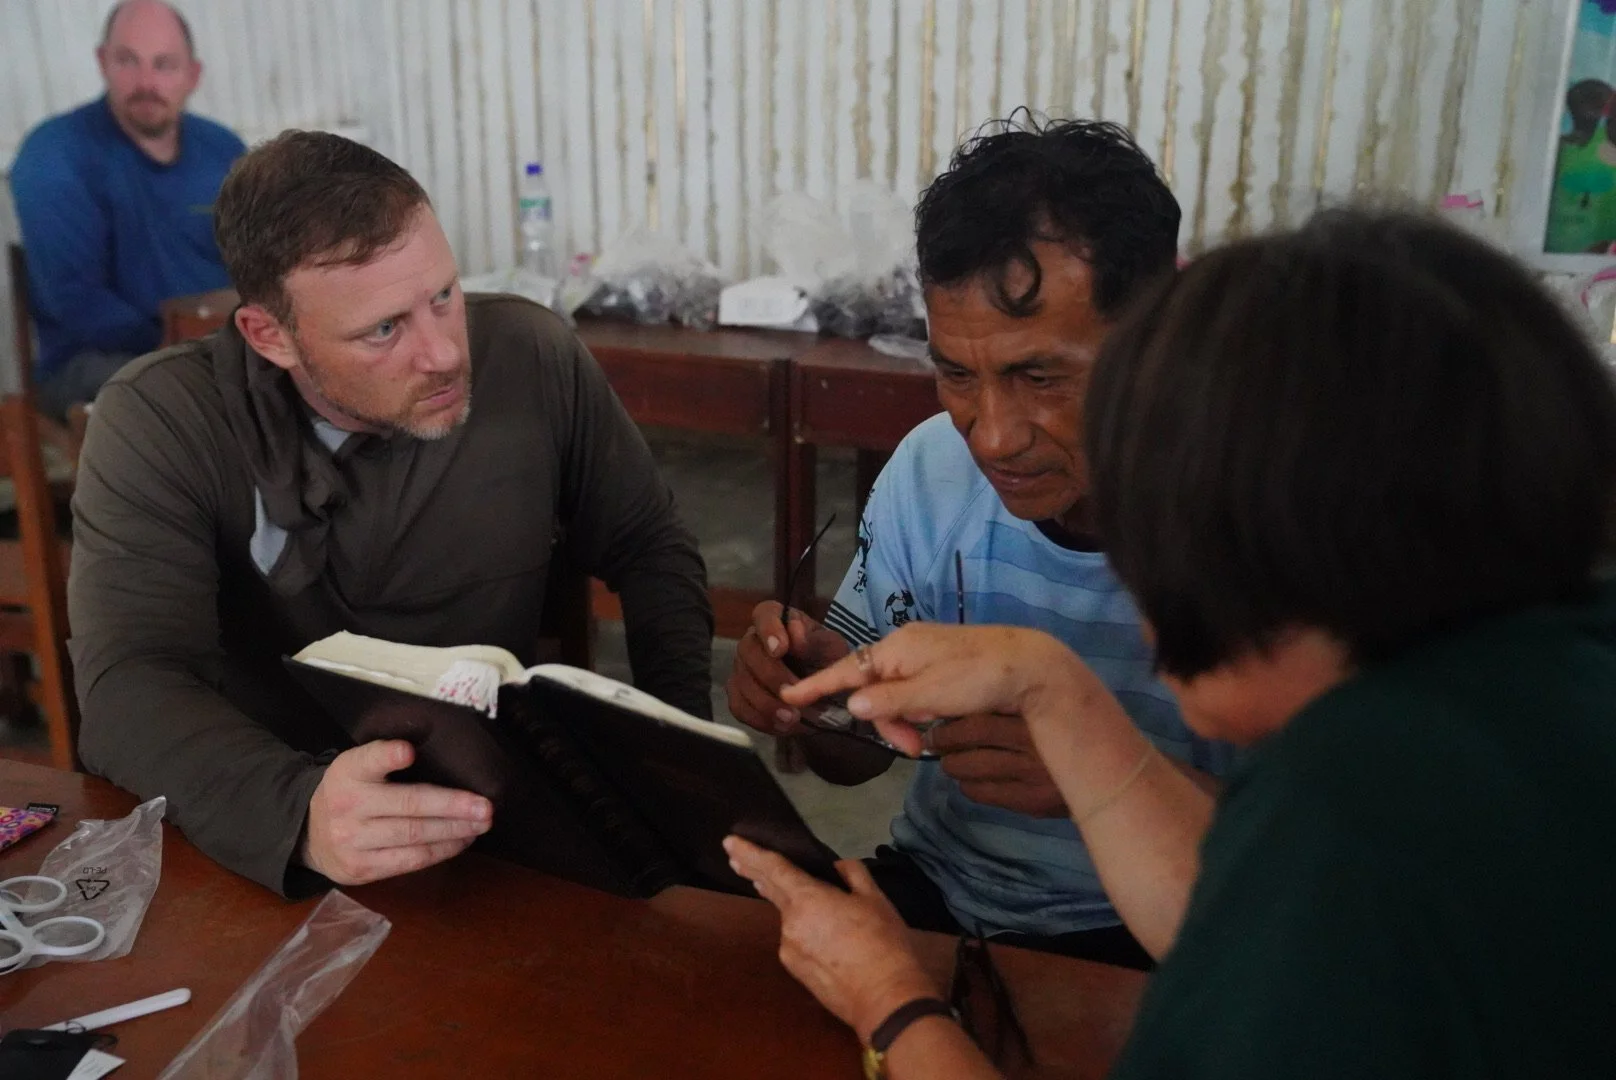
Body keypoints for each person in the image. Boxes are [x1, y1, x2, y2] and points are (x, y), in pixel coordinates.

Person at [726, 208, 1616, 1078]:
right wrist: (1048, 682)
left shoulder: (1346, 814)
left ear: (1258, 531)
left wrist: (891, 1000)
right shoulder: (1542, 680)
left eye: (1145, 516)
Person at [69, 131, 714, 898]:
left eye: (443, 295)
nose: (443, 353)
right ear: (269, 334)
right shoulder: (164, 420)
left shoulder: (529, 355)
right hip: (272, 825)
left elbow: (648, 543)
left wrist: (684, 768)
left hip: (497, 809)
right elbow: (128, 684)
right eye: (384, 329)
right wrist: (297, 810)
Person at [726, 117, 1232, 968]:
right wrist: (820, 698)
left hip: (1164, 936)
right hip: (937, 893)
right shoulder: (931, 472)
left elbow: (1336, 858)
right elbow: (853, 763)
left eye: (1040, 376)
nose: (991, 437)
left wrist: (1101, 774)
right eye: (958, 374)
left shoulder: (1256, 520)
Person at [8, 0, 243, 417]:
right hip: (94, 363)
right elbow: (75, 301)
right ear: (102, 62)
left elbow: (261, 261)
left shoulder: (223, 150)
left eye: (165, 64)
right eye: (128, 61)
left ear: (193, 75)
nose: (146, 81)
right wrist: (189, 348)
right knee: (207, 400)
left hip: (222, 347)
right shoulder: (54, 156)